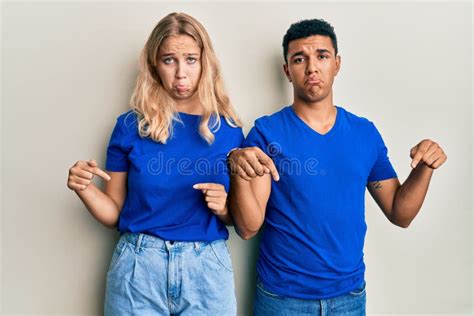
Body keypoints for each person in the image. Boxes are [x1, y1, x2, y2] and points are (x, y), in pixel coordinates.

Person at [228, 18, 447, 315]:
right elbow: (248, 226)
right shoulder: (266, 132)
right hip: (282, 299)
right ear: (287, 71)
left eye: (322, 56)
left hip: (349, 297)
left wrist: (425, 168)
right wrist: (237, 168)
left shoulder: (364, 133)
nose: (311, 67)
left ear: (337, 64)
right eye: (299, 59)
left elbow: (400, 212)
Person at [67, 12, 243, 315]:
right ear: (154, 65)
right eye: (168, 60)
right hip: (138, 268)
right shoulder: (129, 126)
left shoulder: (229, 131)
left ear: (205, 62)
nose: (180, 74)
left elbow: (242, 218)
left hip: (207, 271)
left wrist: (225, 207)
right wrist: (84, 188)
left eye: (190, 59)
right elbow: (114, 213)